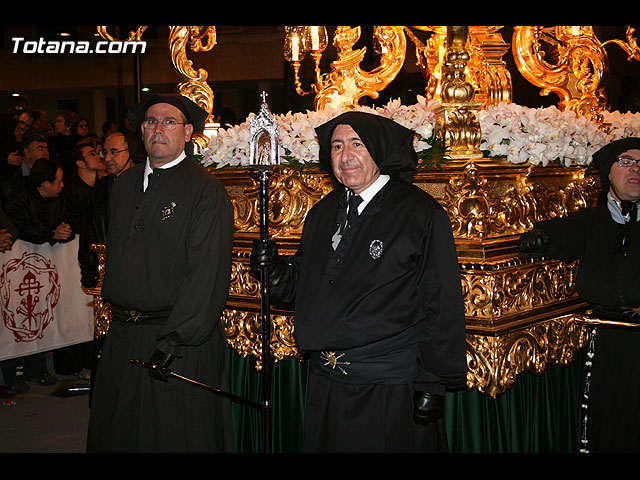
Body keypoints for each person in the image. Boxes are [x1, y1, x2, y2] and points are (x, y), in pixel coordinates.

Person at [251, 111, 467, 453]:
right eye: (336, 146)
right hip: (328, 381)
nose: (345, 156)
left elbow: (441, 303)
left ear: (378, 151)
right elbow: (303, 290)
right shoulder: (322, 213)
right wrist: (275, 271)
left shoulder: (419, 213)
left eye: (357, 144)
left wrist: (433, 383)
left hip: (389, 385)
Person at [86, 94, 235, 453]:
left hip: (176, 338)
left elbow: (206, 275)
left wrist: (175, 341)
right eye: (151, 121)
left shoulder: (205, 190)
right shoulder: (122, 186)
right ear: (141, 131)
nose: (158, 129)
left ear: (188, 132)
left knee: (173, 436)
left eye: (169, 122)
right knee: (120, 432)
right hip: (124, 335)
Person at [518, 137, 640, 453]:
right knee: (607, 429)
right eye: (625, 161)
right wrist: (540, 237)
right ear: (607, 173)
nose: (636, 169)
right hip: (607, 344)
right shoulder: (590, 222)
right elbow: (563, 233)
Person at [1, 132, 50, 207]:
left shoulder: (51, 175)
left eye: (47, 149)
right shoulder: (13, 180)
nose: (46, 153)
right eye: (40, 149)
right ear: (27, 152)